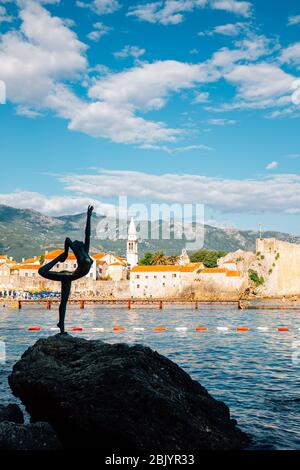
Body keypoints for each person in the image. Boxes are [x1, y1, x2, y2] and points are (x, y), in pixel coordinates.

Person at [39, 205, 94, 334]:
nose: (81, 241)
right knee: (41, 272)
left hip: (70, 276)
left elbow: (88, 233)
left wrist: (89, 216)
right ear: (77, 246)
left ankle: (61, 325)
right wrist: (64, 254)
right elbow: (68, 239)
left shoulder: (85, 251)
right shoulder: (79, 253)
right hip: (67, 276)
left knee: (64, 301)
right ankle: (62, 328)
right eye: (78, 241)